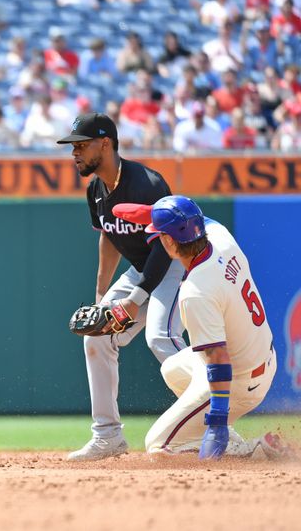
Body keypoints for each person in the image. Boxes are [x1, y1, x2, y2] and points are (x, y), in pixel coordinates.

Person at [56, 113, 187, 461]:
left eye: (81, 146)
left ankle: (217, 424)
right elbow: (109, 239)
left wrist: (136, 298)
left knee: (160, 337)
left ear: (106, 143)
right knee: (97, 335)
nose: (74, 154)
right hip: (142, 269)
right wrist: (102, 296)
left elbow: (165, 246)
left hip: (177, 265)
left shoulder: (147, 183)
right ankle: (108, 436)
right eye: (73, 147)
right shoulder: (95, 190)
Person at [113, 196, 282, 459]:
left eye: (159, 235)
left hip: (240, 378)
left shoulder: (195, 292)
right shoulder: (221, 238)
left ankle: (251, 452)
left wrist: (216, 423)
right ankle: (232, 439)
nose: (157, 239)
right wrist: (154, 214)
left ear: (169, 241)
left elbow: (218, 360)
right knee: (172, 369)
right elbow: (203, 221)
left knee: (159, 447)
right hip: (262, 359)